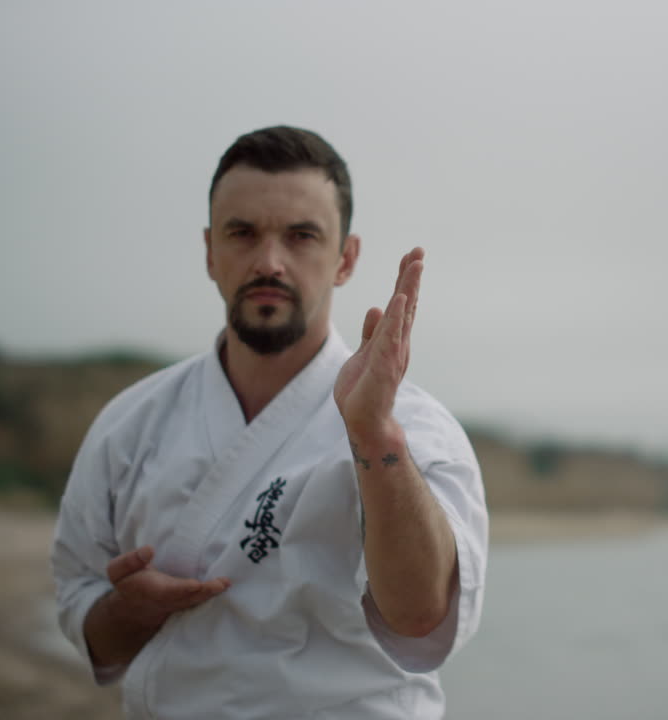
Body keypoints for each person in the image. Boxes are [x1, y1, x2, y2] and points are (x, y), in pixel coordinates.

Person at [51, 126, 487, 720]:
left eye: (301, 236)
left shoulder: (414, 429)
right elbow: (87, 627)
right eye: (243, 233)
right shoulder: (130, 424)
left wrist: (374, 438)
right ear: (210, 251)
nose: (269, 262)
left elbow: (420, 618)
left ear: (346, 258)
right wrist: (135, 609)